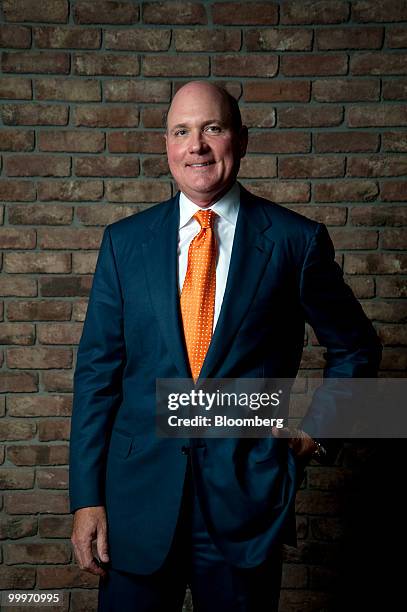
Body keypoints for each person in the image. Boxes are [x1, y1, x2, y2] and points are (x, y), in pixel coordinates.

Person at [69, 81, 382, 611]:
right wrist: (87, 499)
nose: (197, 146)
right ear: (167, 144)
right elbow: (97, 377)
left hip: (245, 506)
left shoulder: (293, 241)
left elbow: (356, 347)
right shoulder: (124, 243)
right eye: (182, 131)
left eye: (212, 128)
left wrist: (316, 435)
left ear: (241, 139)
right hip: (136, 504)